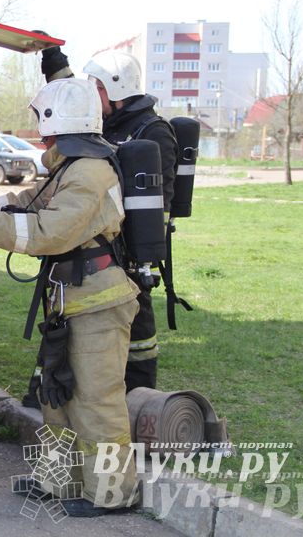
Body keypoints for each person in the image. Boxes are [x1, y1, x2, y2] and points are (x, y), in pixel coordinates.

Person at [0, 78, 140, 516]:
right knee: (57, 397)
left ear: (61, 118)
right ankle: (58, 483)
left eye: (42, 117)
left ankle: (111, 495)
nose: (38, 127)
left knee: (97, 403)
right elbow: (27, 201)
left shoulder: (91, 172)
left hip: (98, 304)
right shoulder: (69, 166)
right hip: (71, 301)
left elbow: (52, 231)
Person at [41, 48, 178, 392]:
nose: (92, 93)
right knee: (72, 327)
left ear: (116, 90)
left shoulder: (153, 132)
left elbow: (156, 201)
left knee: (138, 336)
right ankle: (58, 389)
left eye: (98, 87)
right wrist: (55, 66)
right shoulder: (103, 122)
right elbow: (73, 101)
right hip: (93, 245)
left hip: (128, 251)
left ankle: (139, 397)